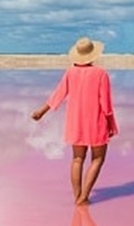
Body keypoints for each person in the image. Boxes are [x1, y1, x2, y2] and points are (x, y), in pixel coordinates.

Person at [32, 37, 118, 205]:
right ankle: (83, 197)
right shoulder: (100, 73)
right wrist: (111, 124)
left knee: (77, 159)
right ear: (93, 55)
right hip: (96, 121)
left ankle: (77, 196)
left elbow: (59, 93)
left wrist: (42, 111)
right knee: (97, 159)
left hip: (76, 122)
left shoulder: (71, 72)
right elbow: (106, 104)